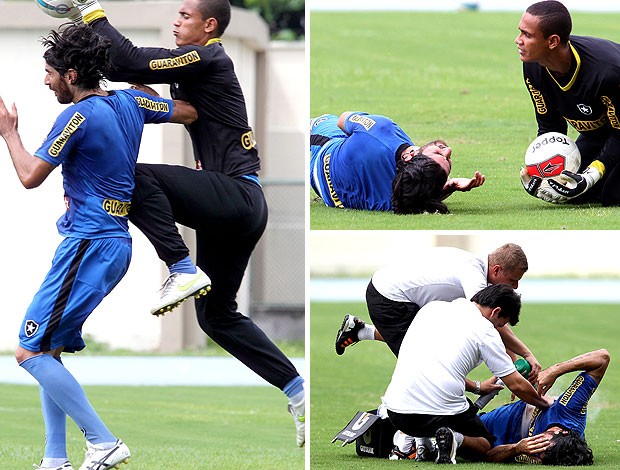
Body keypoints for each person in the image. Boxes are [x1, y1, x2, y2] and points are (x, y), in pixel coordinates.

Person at [71, 0, 306, 446]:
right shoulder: (195, 72)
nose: (176, 23)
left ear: (209, 25)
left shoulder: (209, 56)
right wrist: (108, 77)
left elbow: (130, 59)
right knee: (215, 316)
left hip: (237, 195)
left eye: (184, 16)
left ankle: (179, 267)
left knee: (135, 175)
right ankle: (296, 390)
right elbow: (171, 104)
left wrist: (90, 13)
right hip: (238, 209)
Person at [0, 24, 197, 470]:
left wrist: (9, 133)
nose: (45, 80)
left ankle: (103, 442)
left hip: (89, 243)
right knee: (47, 351)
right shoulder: (129, 102)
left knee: (28, 351)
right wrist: (147, 89)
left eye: (50, 73)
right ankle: (55, 458)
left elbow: (31, 175)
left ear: (71, 74)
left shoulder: (77, 117)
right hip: (110, 243)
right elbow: (186, 112)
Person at [382, 284, 552, 464]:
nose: (498, 329)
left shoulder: (431, 308)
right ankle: (453, 438)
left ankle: (421, 442)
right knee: (485, 446)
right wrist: (543, 402)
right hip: (434, 415)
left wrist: (478, 387)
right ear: (496, 312)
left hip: (396, 412)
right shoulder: (485, 330)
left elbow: (435, 365)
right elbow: (516, 384)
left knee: (445, 405)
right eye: (500, 325)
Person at [335, 243, 541, 379]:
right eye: (513, 280)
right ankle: (405, 436)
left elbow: (495, 321)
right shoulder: (473, 276)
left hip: (395, 292)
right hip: (390, 299)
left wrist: (515, 359)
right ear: (496, 270)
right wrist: (522, 356)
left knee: (438, 340)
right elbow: (488, 323)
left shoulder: (476, 266)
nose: (514, 287)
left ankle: (359, 331)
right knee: (423, 368)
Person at [516, 1, 620, 205]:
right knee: (568, 190)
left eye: (527, 35)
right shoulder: (533, 68)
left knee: (612, 194)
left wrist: (594, 172)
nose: (518, 40)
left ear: (552, 41)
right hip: (599, 134)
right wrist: (542, 172)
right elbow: (550, 127)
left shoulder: (607, 73)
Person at [310, 111, 485, 213]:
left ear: (410, 157)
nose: (448, 150)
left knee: (327, 120)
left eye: (443, 155)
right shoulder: (397, 202)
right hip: (327, 195)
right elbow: (422, 200)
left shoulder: (380, 129)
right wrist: (449, 187)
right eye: (444, 155)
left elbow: (343, 119)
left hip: (323, 153)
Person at [481, 348, 609, 465]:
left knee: (470, 444)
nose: (538, 442)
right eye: (544, 440)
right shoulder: (569, 411)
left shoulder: (545, 455)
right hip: (494, 420)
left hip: (490, 440)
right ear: (563, 432)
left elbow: (489, 456)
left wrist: (516, 449)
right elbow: (602, 357)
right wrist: (555, 370)